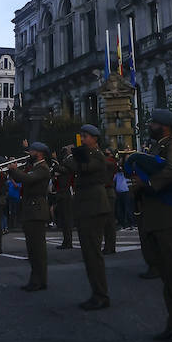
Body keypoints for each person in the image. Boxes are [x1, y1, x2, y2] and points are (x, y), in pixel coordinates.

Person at [134, 109, 172, 342]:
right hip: (159, 217)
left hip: (171, 217)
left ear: (164, 126)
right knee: (168, 276)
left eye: (153, 123)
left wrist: (147, 184)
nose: (150, 125)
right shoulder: (158, 146)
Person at [63, 125, 110, 309]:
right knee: (88, 254)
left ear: (95, 138)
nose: (83, 139)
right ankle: (97, 293)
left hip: (94, 207)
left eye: (86, 136)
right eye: (82, 136)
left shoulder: (97, 155)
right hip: (87, 208)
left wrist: (69, 156)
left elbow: (83, 168)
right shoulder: (87, 154)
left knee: (93, 253)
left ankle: (101, 295)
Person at [16, 142, 51, 291]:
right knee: (32, 249)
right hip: (31, 209)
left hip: (37, 209)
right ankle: (35, 279)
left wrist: (13, 170)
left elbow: (27, 179)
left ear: (40, 153)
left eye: (32, 151)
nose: (30, 153)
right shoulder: (35, 167)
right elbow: (23, 178)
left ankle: (39, 281)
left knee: (37, 249)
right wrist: (13, 171)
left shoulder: (42, 168)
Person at [52, 157, 74, 248]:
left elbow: (59, 169)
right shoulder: (63, 170)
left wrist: (54, 164)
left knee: (66, 220)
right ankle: (66, 241)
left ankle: (68, 242)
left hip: (65, 195)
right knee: (64, 220)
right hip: (62, 194)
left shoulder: (66, 170)